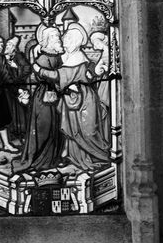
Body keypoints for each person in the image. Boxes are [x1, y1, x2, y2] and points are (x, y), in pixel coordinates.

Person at [35, 23, 110, 171]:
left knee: (87, 130)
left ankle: (94, 155)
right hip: (72, 99)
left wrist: (39, 70)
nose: (64, 41)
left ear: (75, 42)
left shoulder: (78, 58)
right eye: (64, 39)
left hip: (83, 101)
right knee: (72, 128)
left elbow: (59, 76)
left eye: (67, 39)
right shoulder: (69, 57)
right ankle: (74, 156)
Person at [12, 25, 64, 173]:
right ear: (47, 40)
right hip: (44, 97)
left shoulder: (56, 56)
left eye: (58, 35)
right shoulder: (43, 58)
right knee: (44, 128)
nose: (58, 38)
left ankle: (52, 158)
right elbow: (46, 77)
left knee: (55, 127)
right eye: (54, 36)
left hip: (55, 95)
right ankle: (39, 159)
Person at [4, 35, 31, 140]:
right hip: (8, 88)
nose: (8, 46)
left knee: (20, 111)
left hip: (19, 86)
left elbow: (27, 68)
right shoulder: (2, 56)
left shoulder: (19, 56)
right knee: (10, 109)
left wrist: (17, 67)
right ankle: (12, 133)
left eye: (11, 45)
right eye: (8, 43)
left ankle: (23, 133)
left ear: (15, 48)